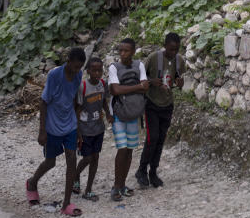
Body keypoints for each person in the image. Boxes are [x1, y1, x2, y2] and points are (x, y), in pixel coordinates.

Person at [25, 47, 86, 217]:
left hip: (70, 124)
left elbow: (74, 98)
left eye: (79, 68)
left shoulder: (78, 75)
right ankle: (32, 182)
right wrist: (42, 131)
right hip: (52, 126)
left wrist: (78, 127)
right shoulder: (54, 75)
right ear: (68, 62)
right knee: (50, 162)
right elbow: (43, 102)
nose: (76, 71)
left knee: (71, 160)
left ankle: (66, 203)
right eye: (74, 67)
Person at [135, 32, 184, 188]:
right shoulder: (154, 58)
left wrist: (180, 83)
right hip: (152, 103)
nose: (173, 53)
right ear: (164, 46)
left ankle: (153, 172)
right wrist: (151, 81)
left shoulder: (179, 61)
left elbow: (178, 80)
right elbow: (140, 78)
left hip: (167, 104)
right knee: (152, 138)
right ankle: (141, 170)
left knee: (161, 139)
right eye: (170, 49)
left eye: (176, 50)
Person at [108, 38, 148, 202]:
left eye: (126, 51)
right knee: (122, 149)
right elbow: (115, 90)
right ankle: (116, 186)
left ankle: (122, 185)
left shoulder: (139, 65)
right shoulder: (113, 67)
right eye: (120, 50)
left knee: (130, 149)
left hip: (133, 114)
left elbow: (145, 85)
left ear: (133, 51)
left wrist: (127, 89)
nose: (122, 54)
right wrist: (137, 87)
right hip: (119, 114)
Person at [72, 57, 112, 201]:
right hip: (85, 129)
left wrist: (108, 114)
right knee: (87, 157)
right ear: (88, 71)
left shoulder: (103, 84)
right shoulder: (82, 87)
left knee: (95, 157)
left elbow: (104, 102)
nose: (97, 73)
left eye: (100, 70)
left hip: (98, 128)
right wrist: (77, 132)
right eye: (94, 70)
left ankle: (88, 189)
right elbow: (77, 110)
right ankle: (75, 175)